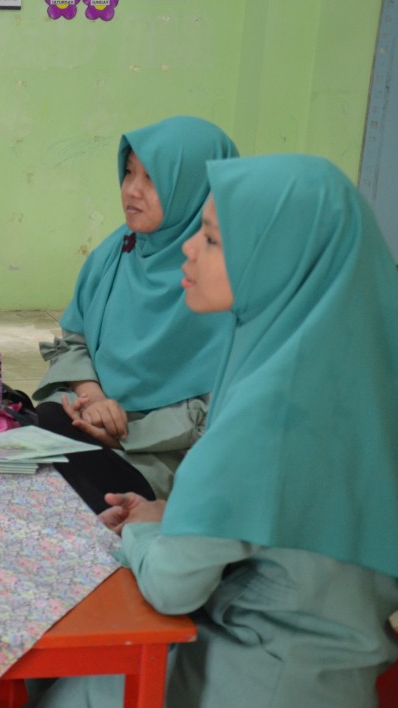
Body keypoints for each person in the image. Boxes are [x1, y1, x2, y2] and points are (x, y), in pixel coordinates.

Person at [35, 154, 398, 707]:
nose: (189, 247)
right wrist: (177, 518)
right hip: (342, 671)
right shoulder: (359, 377)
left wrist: (144, 531)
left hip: (244, 677)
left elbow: (175, 585)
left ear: (277, 259)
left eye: (211, 238)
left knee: (57, 675)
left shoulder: (272, 408)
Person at [33, 116, 238, 512]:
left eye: (152, 179)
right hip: (88, 424)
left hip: (161, 455)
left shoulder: (223, 277)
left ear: (198, 187)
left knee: (56, 465)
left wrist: (126, 434)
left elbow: (226, 406)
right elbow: (72, 342)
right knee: (45, 422)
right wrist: (93, 399)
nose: (132, 190)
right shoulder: (118, 251)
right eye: (128, 173)